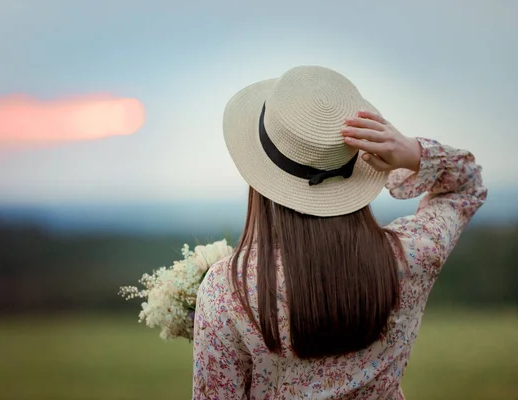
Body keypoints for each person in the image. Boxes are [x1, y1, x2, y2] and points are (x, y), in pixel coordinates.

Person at [191, 66, 487, 399]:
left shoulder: (227, 290)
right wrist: (412, 154)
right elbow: (467, 186)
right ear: (358, 159)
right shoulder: (412, 254)